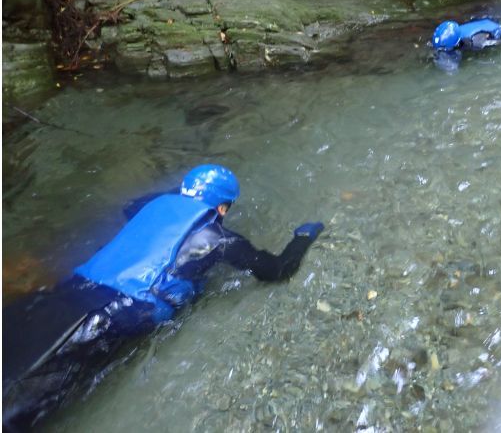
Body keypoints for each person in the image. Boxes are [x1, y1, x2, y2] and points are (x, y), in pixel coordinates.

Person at [2, 164, 323, 431]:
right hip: (112, 313)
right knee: (28, 399)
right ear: (223, 208)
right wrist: (303, 238)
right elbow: (278, 271)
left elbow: (129, 208)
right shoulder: (219, 239)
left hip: (72, 289)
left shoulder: (149, 204)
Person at [431, 18, 501, 71]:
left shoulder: (475, 42)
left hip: (498, 27)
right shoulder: (454, 34)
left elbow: (496, 42)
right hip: (485, 22)